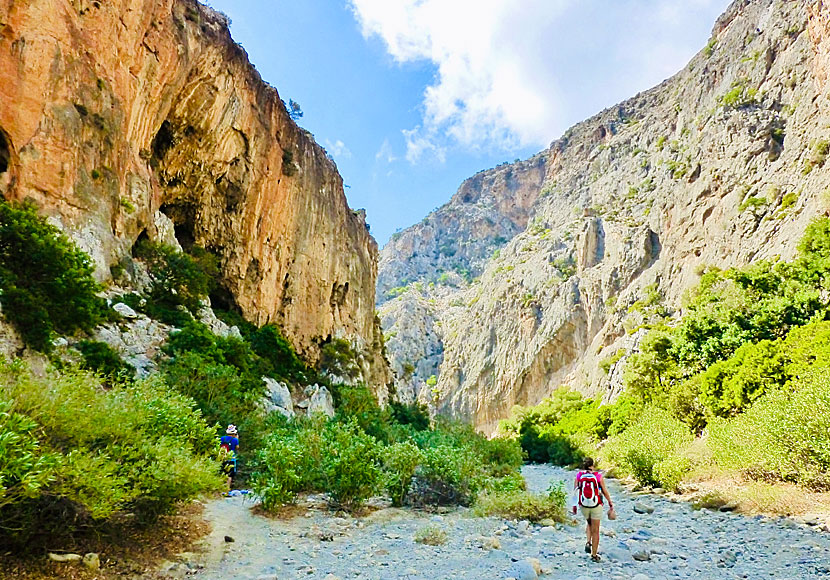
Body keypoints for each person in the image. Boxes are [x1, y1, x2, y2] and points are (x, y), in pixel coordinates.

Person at [572, 457, 613, 562]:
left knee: (589, 523)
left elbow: (575, 492)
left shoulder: (579, 476)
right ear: (592, 465)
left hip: (583, 505)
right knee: (596, 530)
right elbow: (604, 491)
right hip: (596, 505)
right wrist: (610, 503)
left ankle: (588, 542)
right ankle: (594, 555)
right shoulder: (598, 476)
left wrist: (574, 506)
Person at [219, 424, 240, 490]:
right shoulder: (235, 440)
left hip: (223, 457)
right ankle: (227, 489)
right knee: (230, 474)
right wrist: (237, 439)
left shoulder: (222, 438)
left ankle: (221, 488)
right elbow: (237, 447)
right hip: (231, 458)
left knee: (223, 472)